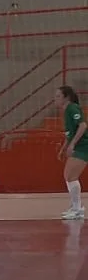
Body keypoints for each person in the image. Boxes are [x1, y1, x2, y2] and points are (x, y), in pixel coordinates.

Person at [56, 86, 88, 219]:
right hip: (79, 146)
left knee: (71, 176)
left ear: (66, 97)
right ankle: (75, 207)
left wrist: (73, 144)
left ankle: (77, 209)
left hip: (83, 146)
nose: (56, 99)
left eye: (58, 96)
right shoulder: (66, 111)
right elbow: (70, 134)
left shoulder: (72, 108)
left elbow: (83, 125)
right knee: (68, 175)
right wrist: (63, 148)